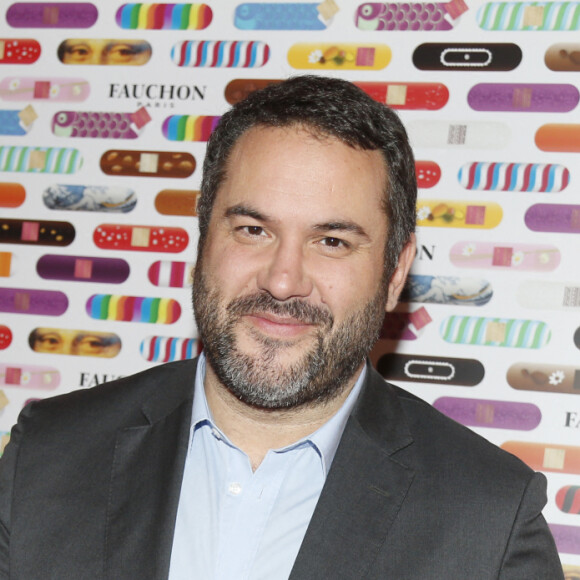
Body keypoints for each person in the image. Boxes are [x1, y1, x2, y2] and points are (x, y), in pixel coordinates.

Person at [0, 76, 563, 579]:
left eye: (332, 241)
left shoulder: (489, 520)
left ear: (395, 272)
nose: (283, 280)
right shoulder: (48, 455)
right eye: (252, 230)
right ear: (203, 238)